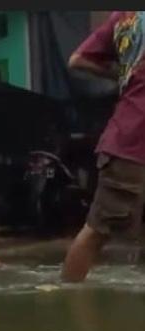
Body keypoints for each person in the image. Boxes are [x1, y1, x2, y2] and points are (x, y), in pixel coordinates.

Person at [62, 11, 145, 282]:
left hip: (128, 136)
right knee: (97, 230)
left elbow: (78, 59)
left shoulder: (124, 17)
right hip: (133, 141)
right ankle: (68, 303)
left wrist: (122, 74)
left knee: (96, 231)